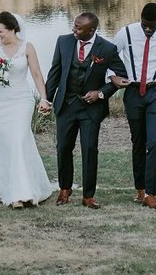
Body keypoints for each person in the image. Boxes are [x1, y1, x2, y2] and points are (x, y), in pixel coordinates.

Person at [44, 11, 128, 209]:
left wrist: (100, 93)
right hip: (66, 105)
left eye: (78, 28)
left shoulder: (107, 48)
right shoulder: (63, 42)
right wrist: (46, 100)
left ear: (91, 30)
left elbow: (120, 76)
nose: (74, 29)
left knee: (90, 150)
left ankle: (88, 196)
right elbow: (55, 72)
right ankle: (65, 189)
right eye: (74, 25)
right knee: (63, 147)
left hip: (91, 110)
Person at [111, 2, 156, 209]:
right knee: (138, 142)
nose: (148, 29)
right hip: (133, 91)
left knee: (155, 142)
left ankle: (151, 193)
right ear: (140, 19)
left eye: (152, 26)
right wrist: (113, 77)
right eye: (144, 25)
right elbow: (110, 57)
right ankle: (140, 189)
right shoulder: (126, 32)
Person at [0, 11, 55, 208]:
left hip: (21, 100)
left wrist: (44, 98)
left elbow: (37, 74)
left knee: (18, 139)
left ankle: (21, 192)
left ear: (13, 29)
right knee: (4, 142)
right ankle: (5, 187)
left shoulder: (27, 47)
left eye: (1, 32)